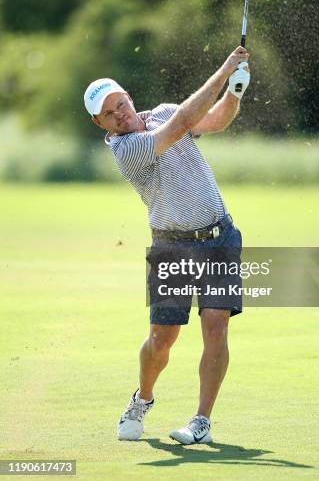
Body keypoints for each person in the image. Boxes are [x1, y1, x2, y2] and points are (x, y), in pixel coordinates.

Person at [83, 46, 250, 445]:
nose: (120, 113)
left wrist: (235, 92)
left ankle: (201, 421)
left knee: (215, 327)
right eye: (110, 113)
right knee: (162, 339)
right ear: (98, 122)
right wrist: (224, 69)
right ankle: (142, 399)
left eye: (121, 103)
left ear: (129, 97)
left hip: (219, 238)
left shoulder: (160, 111)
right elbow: (182, 123)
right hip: (171, 247)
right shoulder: (126, 149)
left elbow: (214, 120)